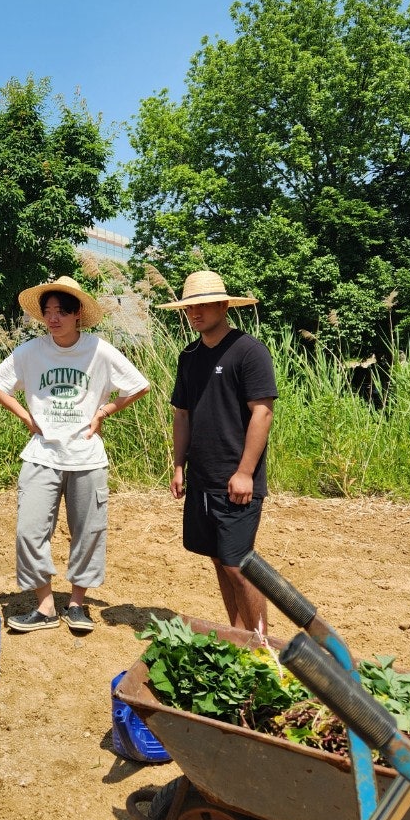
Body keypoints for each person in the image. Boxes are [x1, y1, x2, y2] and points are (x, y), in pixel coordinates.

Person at [0, 276, 149, 634]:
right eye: (47, 312)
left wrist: (103, 412)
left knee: (88, 532)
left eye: (61, 311)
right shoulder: (30, 351)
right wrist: (27, 416)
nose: (53, 319)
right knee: (29, 531)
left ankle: (77, 604)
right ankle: (45, 607)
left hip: (87, 457)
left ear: (77, 314)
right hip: (42, 454)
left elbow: (139, 385)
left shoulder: (99, 351)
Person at [162, 270, 276, 635]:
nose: (195, 313)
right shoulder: (190, 355)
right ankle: (239, 636)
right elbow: (183, 413)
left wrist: (245, 472)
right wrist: (179, 465)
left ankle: (263, 647)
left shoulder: (249, 351)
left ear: (224, 305)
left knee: (238, 565)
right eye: (189, 307)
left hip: (237, 479)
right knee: (218, 560)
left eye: (203, 305)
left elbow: (263, 411)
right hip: (201, 478)